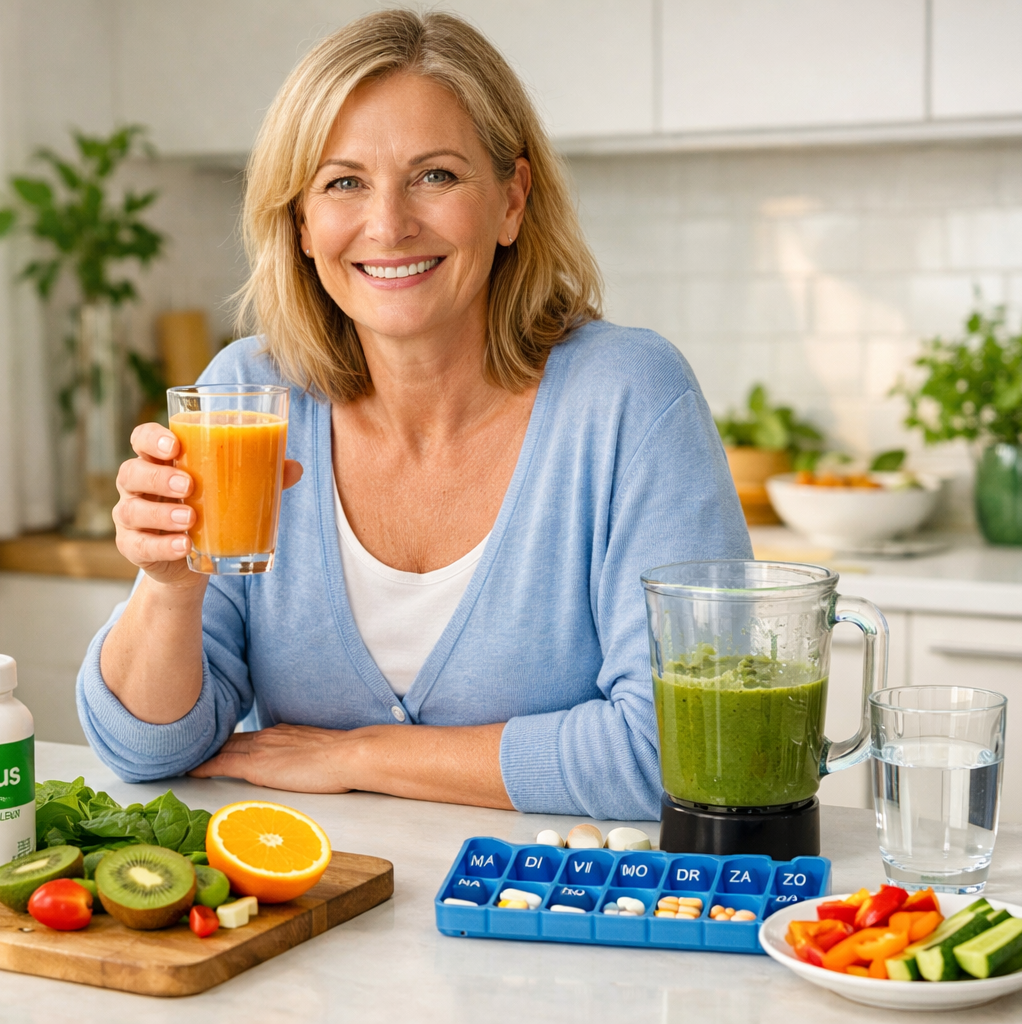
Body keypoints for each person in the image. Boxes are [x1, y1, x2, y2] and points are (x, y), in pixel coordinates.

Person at [77, 9, 749, 820]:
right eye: (343, 182)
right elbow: (149, 750)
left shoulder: (627, 397)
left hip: (562, 923)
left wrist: (363, 753)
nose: (388, 224)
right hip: (316, 916)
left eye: (435, 175)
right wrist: (168, 589)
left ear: (511, 200)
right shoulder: (245, 400)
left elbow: (689, 751)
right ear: (300, 222)